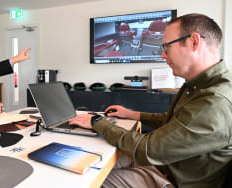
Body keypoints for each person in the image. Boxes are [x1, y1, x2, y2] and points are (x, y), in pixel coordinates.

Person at [69, 13, 232, 188]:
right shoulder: (199, 86)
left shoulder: (214, 102)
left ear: (194, 42)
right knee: (92, 160)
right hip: (165, 165)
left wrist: (97, 122)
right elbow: (175, 123)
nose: (163, 55)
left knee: (86, 182)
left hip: (170, 179)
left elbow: (145, 150)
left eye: (166, 47)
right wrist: (133, 114)